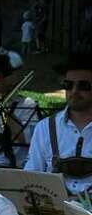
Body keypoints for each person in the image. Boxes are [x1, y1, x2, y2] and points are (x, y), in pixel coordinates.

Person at [25, 51, 92, 198]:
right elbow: (30, 177)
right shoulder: (44, 128)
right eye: (68, 85)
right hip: (54, 213)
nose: (74, 91)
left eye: (84, 86)